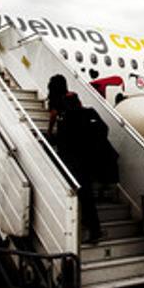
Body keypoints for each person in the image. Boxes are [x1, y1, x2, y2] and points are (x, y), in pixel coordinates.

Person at [47, 75, 104, 243]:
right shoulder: (74, 96)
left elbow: (53, 116)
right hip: (83, 149)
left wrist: (50, 132)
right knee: (86, 190)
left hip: (69, 149)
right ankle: (94, 228)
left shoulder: (56, 100)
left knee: (75, 186)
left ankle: (88, 228)